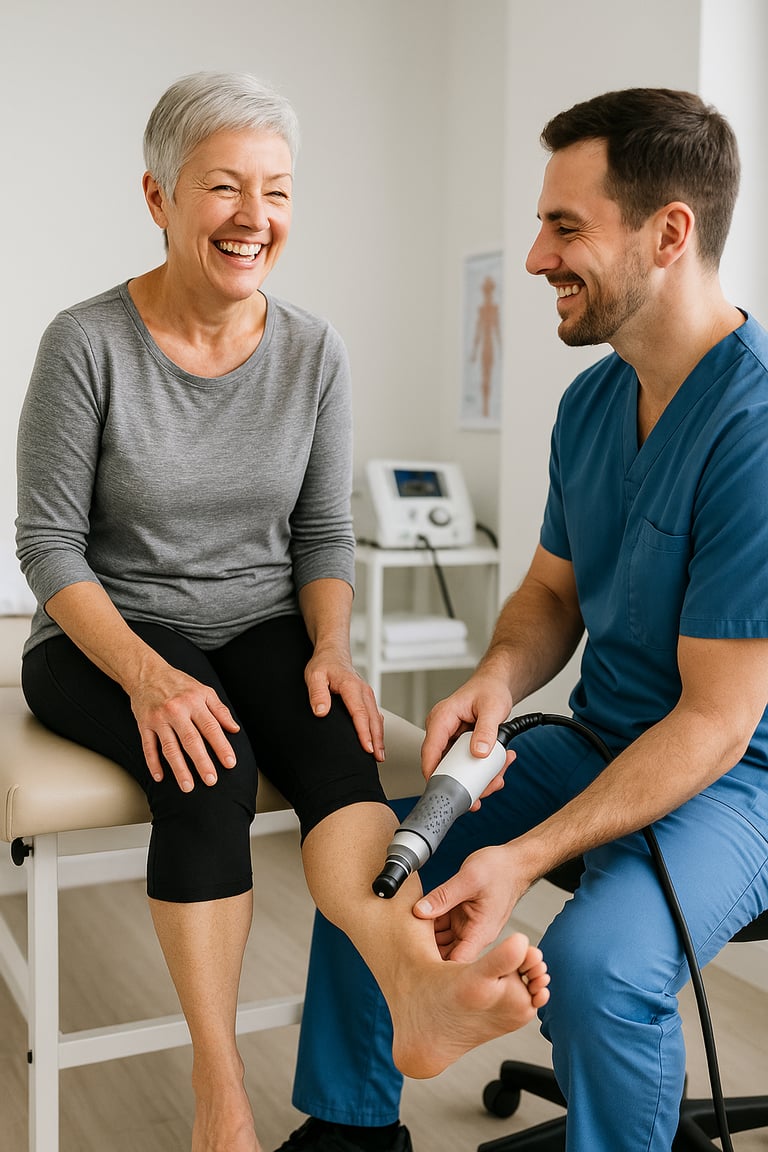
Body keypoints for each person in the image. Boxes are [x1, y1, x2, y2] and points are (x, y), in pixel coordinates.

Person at [15, 71, 550, 1152]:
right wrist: (148, 676)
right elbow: (48, 544)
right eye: (225, 187)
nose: (254, 216)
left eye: (278, 190)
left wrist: (333, 647)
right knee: (205, 774)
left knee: (339, 752)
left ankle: (415, 990)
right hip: (106, 632)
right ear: (159, 196)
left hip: (260, 620)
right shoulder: (87, 342)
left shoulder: (313, 350)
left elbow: (321, 532)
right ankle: (219, 1092)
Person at [274, 87, 768, 1152]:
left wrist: (526, 856)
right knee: (374, 867)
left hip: (738, 780)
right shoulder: (592, 402)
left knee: (600, 967)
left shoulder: (756, 427)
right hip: (600, 742)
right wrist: (496, 678)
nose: (537, 257)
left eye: (564, 227)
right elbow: (550, 595)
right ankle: (352, 1134)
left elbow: (717, 722)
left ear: (668, 233)